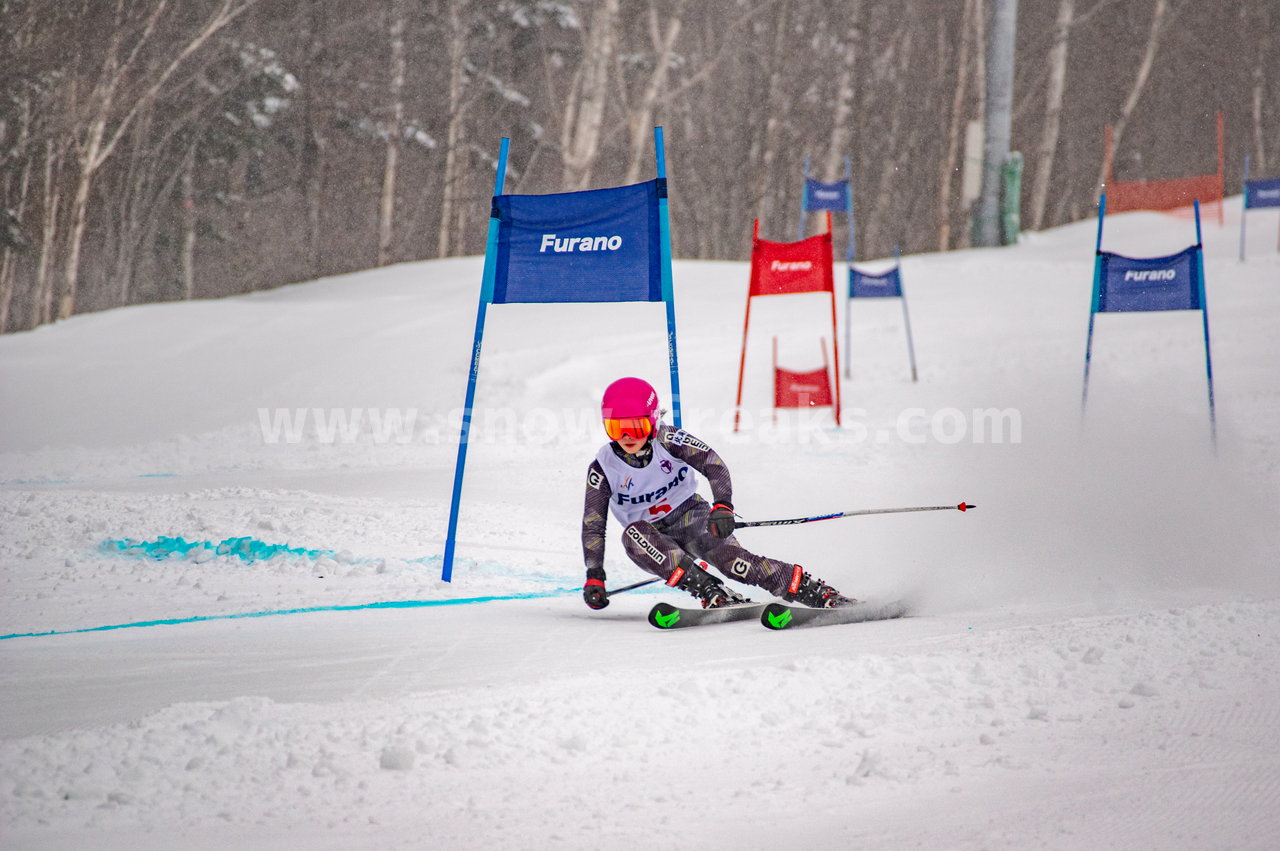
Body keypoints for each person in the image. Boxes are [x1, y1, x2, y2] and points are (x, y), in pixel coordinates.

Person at [581, 376, 855, 611]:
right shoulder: (603, 468)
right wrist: (594, 574)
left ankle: (817, 592)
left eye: (636, 427)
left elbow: (714, 464)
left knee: (736, 563)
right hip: (652, 539)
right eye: (617, 428)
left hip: (691, 516)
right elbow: (593, 526)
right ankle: (711, 592)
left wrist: (722, 507)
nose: (627, 436)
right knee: (634, 534)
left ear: (653, 421)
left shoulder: (669, 440)